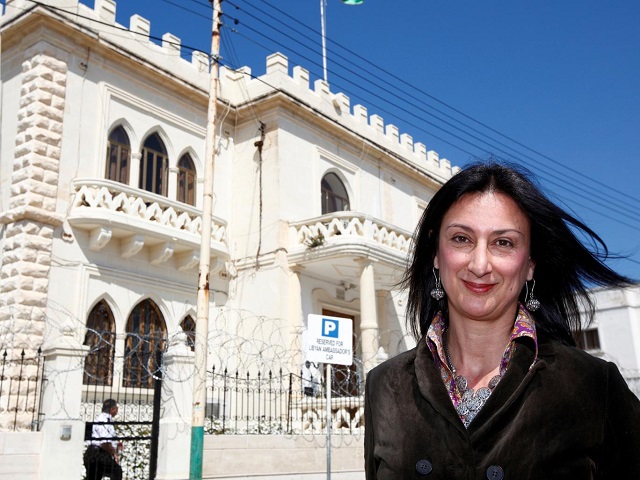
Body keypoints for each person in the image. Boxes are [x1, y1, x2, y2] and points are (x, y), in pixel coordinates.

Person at [364, 162, 640, 479]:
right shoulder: (384, 385)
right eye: (461, 239)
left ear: (531, 264)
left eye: (503, 242)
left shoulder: (592, 385)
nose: (480, 264)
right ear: (437, 254)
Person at [84, 398, 123, 480]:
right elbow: (105, 443)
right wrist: (114, 453)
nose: (117, 410)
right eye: (117, 408)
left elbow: (101, 438)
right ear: (113, 409)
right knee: (116, 471)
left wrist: (115, 444)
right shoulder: (106, 420)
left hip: (90, 453)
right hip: (99, 455)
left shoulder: (100, 418)